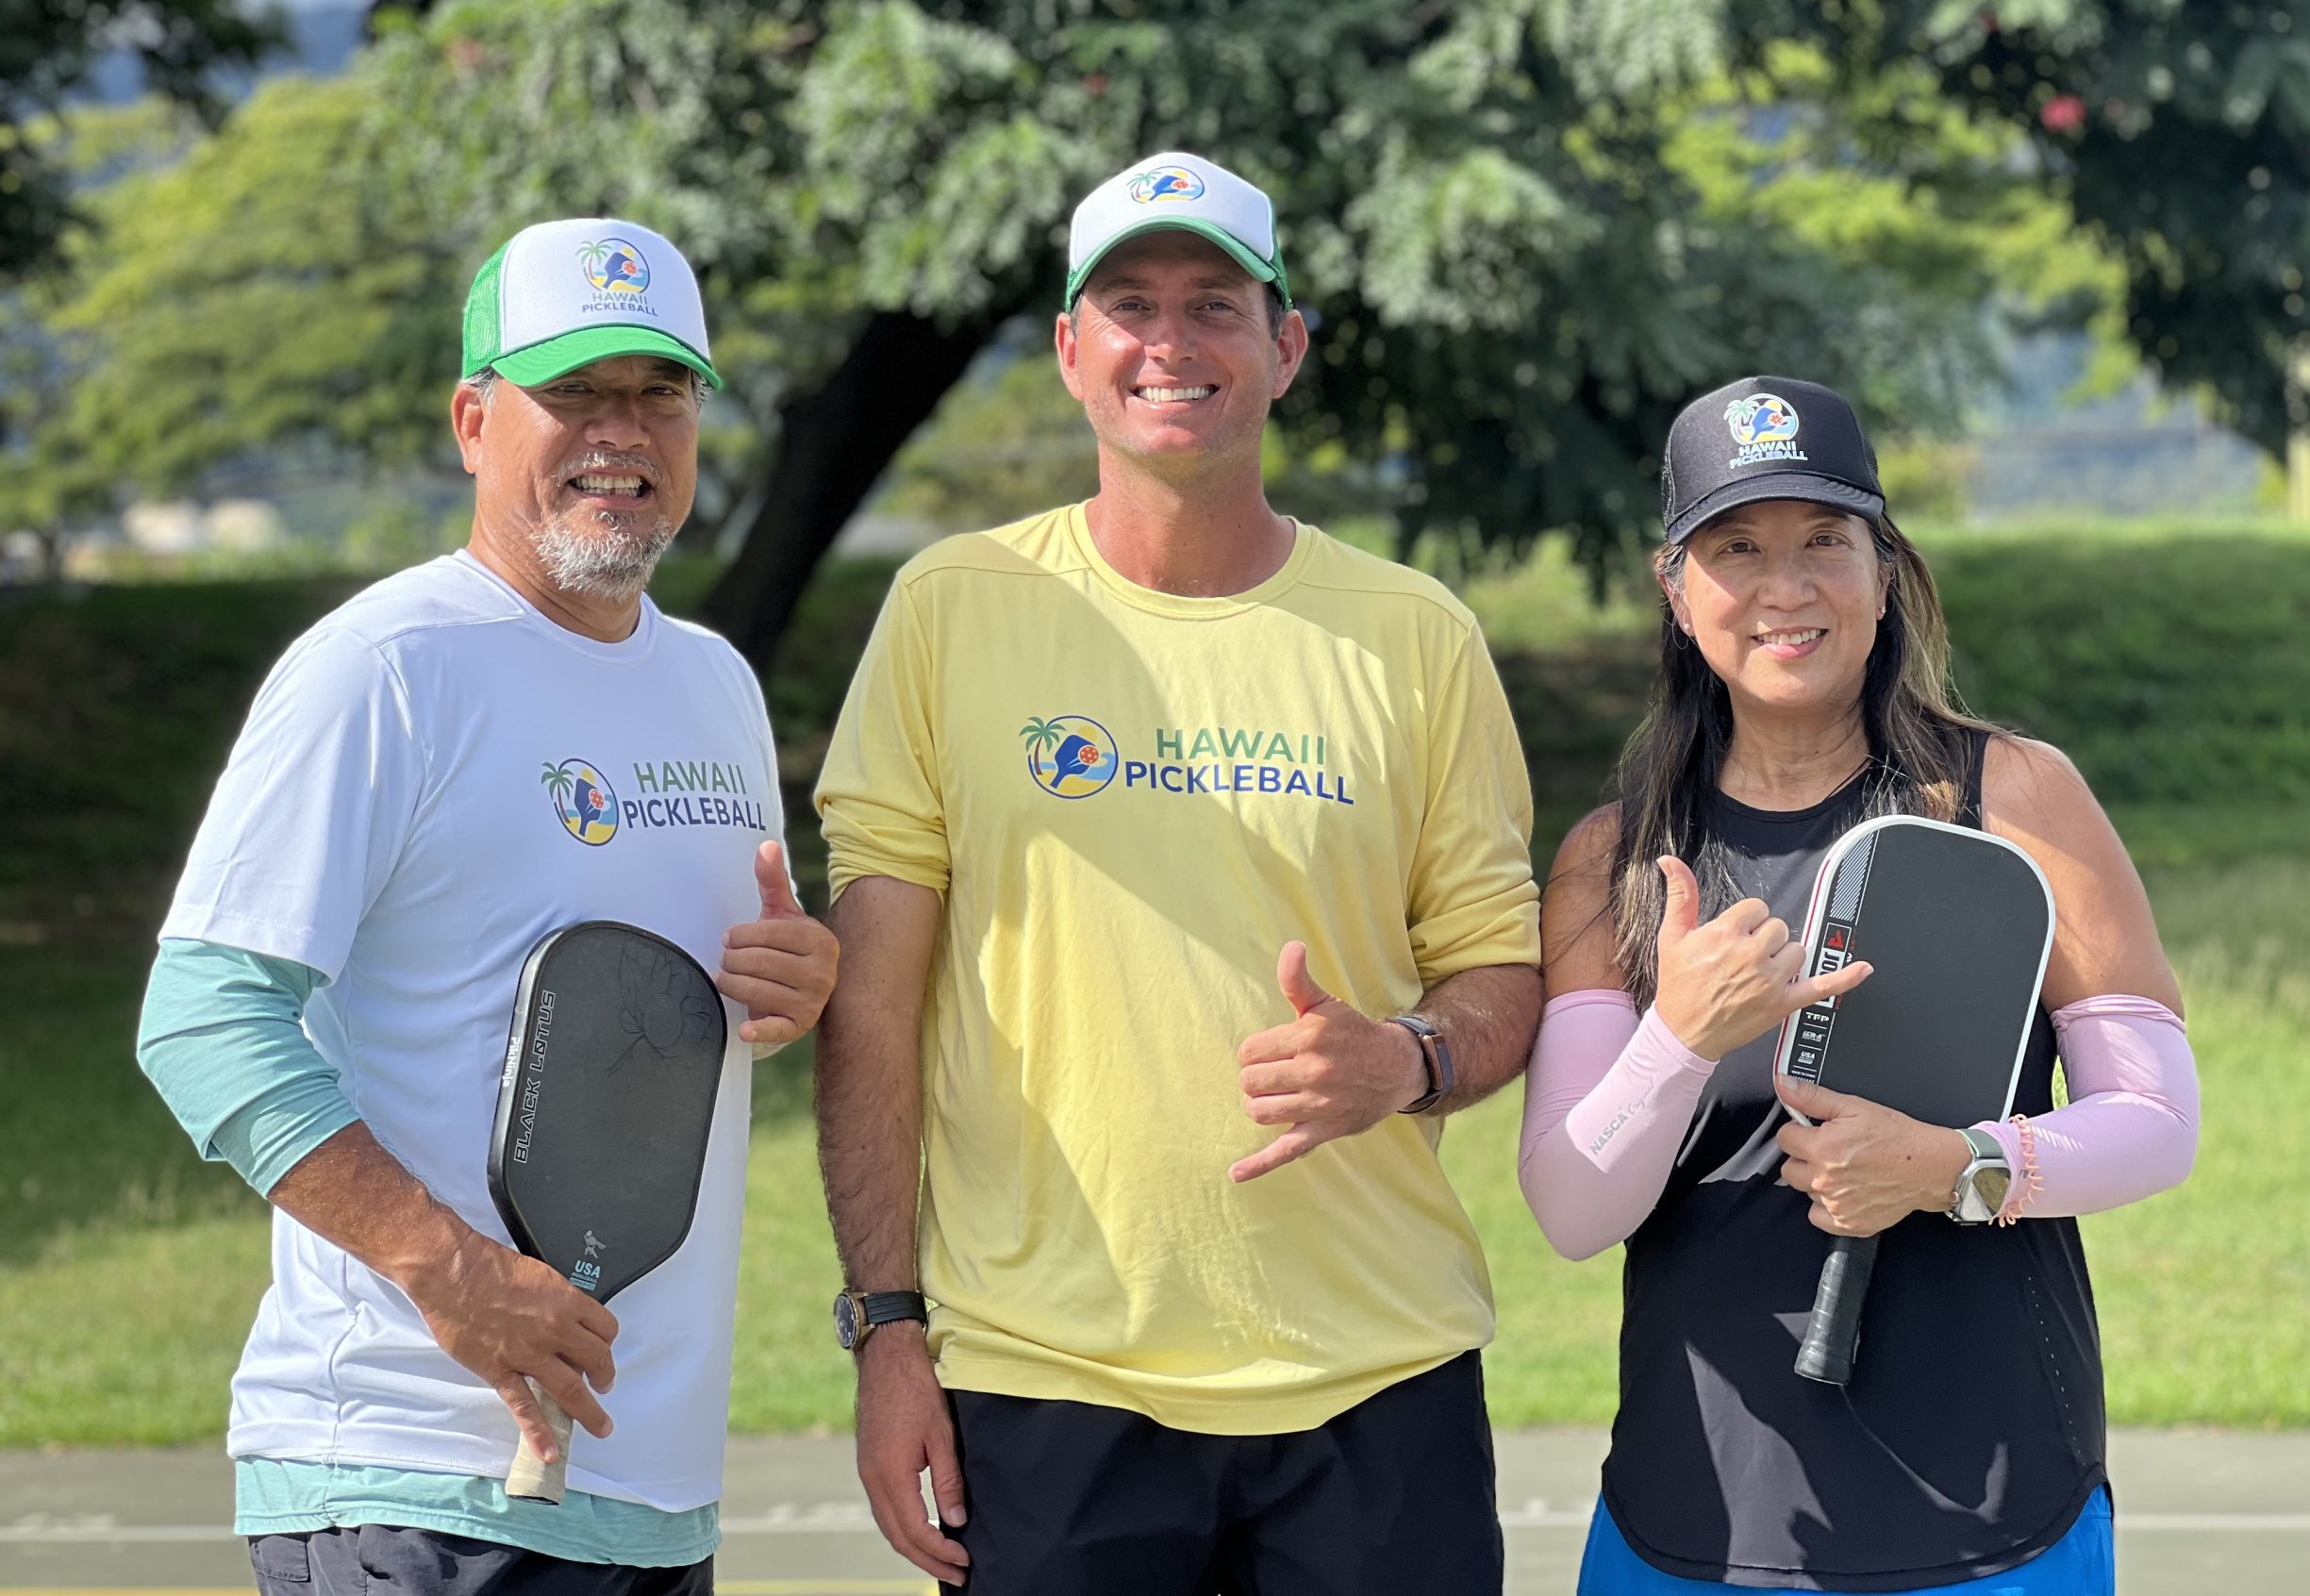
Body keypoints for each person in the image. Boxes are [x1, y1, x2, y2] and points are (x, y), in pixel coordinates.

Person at [812, 151, 1545, 1593]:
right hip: (1047, 1381)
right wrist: (886, 1328)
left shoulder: (1416, 635)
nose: (1171, 341)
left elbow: (1499, 970)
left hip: (1375, 1381)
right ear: (1070, 350)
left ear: (1287, 347)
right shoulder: (952, 609)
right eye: (1130, 305)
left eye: (1216, 303)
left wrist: (1404, 1060)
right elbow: (875, 1006)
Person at [136, 218, 839, 1595]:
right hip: (413, 1482)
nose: (621, 432)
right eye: (573, 390)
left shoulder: (716, 685)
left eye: (661, 391)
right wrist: (446, 1269)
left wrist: (789, 984)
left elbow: (652, 1015)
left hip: (649, 1489)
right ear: (473, 421)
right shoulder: (386, 667)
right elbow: (203, 1017)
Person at [1518, 377, 2201, 1593]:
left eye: (1824, 541)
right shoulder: (1612, 861)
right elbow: (1573, 1210)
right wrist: (1679, 1035)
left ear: (1883, 574)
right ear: (1676, 590)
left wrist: (1955, 1169)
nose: (1786, 588)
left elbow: (2158, 1120)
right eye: (1737, 548)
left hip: (1996, 1513)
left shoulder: (2018, 798)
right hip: (1695, 1518)